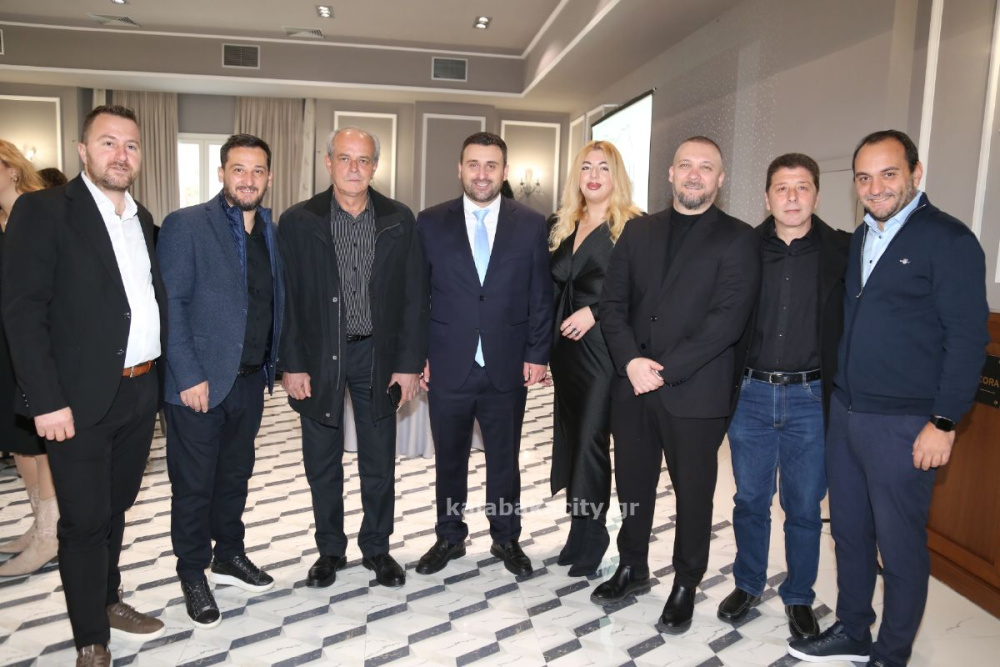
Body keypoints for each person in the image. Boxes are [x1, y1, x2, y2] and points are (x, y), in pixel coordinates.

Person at [788, 130, 989, 667]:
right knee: (849, 534)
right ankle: (854, 631)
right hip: (847, 414)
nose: (875, 188)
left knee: (898, 547)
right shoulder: (860, 237)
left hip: (904, 424)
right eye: (864, 177)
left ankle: (892, 653)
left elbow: (968, 339)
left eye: (889, 174)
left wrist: (943, 421)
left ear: (915, 174)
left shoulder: (949, 240)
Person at [1, 105, 167, 666]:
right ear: (82, 150)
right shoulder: (45, 210)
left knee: (117, 508)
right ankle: (89, 638)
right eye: (108, 143)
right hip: (75, 400)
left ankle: (107, 597)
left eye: (131, 145)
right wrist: (45, 401)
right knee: (83, 520)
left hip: (140, 391)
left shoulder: (142, 218)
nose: (121, 155)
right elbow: (23, 313)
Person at [595, 136, 760, 634]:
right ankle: (632, 566)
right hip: (633, 386)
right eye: (685, 165)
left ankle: (687, 582)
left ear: (720, 179)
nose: (694, 174)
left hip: (695, 391)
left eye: (705, 167)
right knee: (633, 483)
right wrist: (631, 362)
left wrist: (661, 370)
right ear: (670, 173)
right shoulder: (638, 231)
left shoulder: (739, 238)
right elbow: (612, 305)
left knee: (693, 494)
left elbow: (726, 322)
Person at [278, 127, 428, 590]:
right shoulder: (298, 221)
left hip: (377, 355)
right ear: (328, 162)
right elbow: (286, 299)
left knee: (378, 460)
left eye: (363, 160)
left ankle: (377, 548)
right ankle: (330, 550)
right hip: (318, 357)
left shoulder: (399, 219)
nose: (354, 168)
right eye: (344, 158)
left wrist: (409, 363)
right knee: (321, 461)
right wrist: (291, 363)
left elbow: (414, 296)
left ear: (375, 166)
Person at [717, 153, 850, 639]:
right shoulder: (742, 249)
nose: (792, 197)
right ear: (767, 196)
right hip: (751, 395)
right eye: (781, 188)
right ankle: (749, 583)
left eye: (802, 187)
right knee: (750, 499)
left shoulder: (843, 250)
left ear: (817, 194)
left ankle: (798, 596)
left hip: (811, 400)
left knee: (804, 507)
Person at [157, 134, 285, 628]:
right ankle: (192, 572)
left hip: (250, 381)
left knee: (235, 477)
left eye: (257, 171)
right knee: (193, 486)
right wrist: (188, 374)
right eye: (239, 169)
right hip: (198, 385)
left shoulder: (272, 231)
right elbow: (172, 304)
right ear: (221, 173)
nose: (248, 179)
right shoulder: (186, 224)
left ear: (268, 177)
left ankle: (228, 554)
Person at [414, 131, 553, 577]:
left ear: (505, 171)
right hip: (447, 363)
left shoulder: (530, 223)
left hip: (506, 364)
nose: (481, 174)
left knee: (504, 459)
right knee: (449, 458)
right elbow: (416, 297)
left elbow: (541, 295)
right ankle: (449, 536)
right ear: (460, 168)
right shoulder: (429, 222)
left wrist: (537, 353)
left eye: (491, 165)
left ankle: (506, 537)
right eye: (473, 164)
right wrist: (417, 356)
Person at [548, 140, 641, 576]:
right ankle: (578, 527)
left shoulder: (633, 226)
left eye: (603, 167)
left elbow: (644, 291)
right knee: (571, 437)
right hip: (566, 352)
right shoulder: (565, 223)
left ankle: (596, 532)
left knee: (590, 439)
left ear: (615, 175)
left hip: (604, 349)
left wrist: (595, 311)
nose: (594, 175)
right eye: (586, 167)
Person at [0, 140, 58, 577]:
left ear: (12, 169)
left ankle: (50, 534)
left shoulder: (39, 211)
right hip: (5, 343)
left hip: (37, 341)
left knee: (42, 444)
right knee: (18, 439)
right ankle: (39, 522)